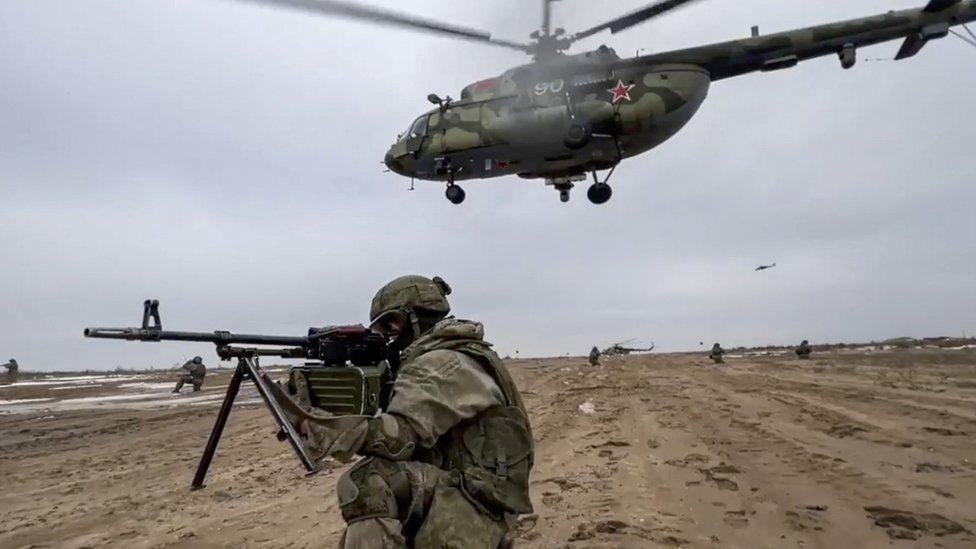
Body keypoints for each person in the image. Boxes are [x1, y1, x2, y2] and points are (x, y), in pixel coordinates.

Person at [277, 275, 534, 548]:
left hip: (476, 505)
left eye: (390, 325)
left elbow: (398, 440)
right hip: (466, 488)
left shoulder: (442, 363)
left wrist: (313, 424)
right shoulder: (448, 351)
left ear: (408, 319)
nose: (387, 336)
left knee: (369, 482)